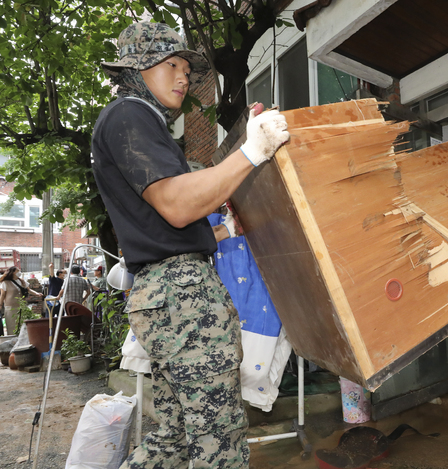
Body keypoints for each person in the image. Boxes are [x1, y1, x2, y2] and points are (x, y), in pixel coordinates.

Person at [91, 22, 289, 469]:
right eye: (171, 64)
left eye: (187, 67)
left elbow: (164, 226)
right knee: (218, 440)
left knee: (175, 439)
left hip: (165, 294)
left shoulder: (142, 125)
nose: (184, 76)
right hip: (181, 297)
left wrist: (223, 232)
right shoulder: (130, 115)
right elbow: (178, 205)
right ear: (138, 70)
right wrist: (252, 151)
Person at [0, 266, 43, 335]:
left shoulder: (22, 281)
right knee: (12, 325)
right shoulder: (5, 283)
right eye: (17, 270)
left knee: (22, 325)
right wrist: (0, 305)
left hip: (21, 307)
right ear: (13, 272)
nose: (19, 272)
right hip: (10, 308)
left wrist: (37, 294)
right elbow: (2, 295)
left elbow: (28, 290)